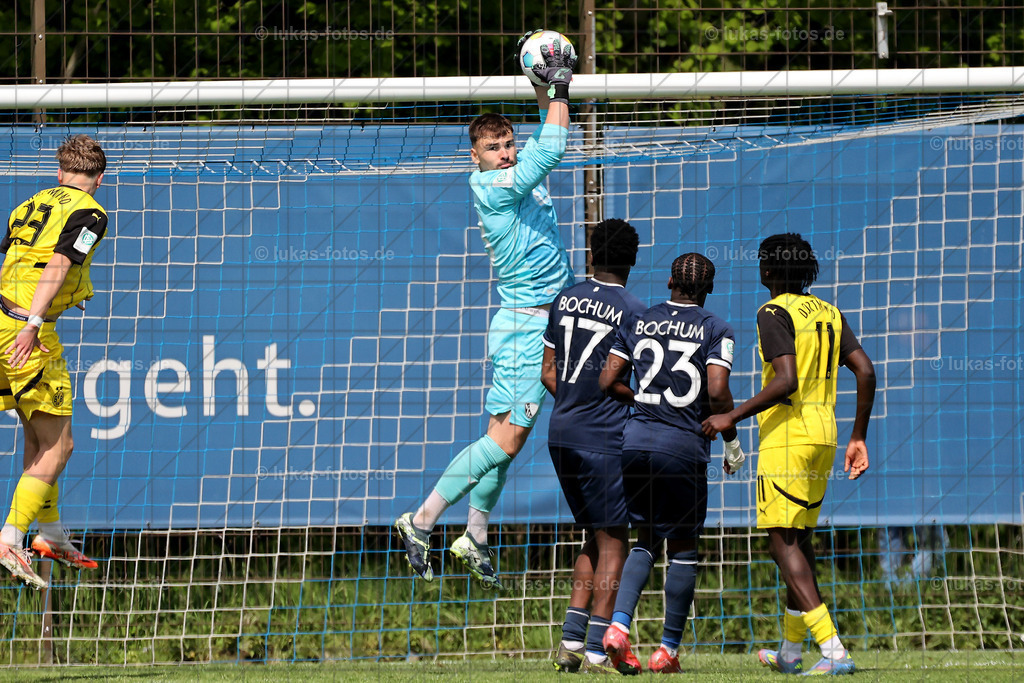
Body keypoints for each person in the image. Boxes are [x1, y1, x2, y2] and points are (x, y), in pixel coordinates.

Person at [394, 31, 578, 590]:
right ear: (475, 157)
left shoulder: (518, 180)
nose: (506, 153)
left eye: (508, 145)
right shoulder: (495, 187)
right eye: (494, 148)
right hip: (527, 326)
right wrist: (560, 85)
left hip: (543, 321)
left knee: (504, 436)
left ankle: (474, 533)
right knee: (507, 440)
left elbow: (540, 144)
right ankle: (420, 519)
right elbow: (554, 147)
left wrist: (542, 88)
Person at [702, 233, 876, 676]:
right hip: (826, 435)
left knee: (781, 542)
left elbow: (786, 380)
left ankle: (833, 650)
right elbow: (865, 370)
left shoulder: (772, 311)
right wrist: (859, 436)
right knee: (799, 541)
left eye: (763, 263)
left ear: (769, 271)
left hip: (787, 438)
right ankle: (791, 653)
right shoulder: (829, 312)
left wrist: (732, 417)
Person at [597, 253, 745, 674]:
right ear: (708, 289)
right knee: (682, 547)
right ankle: (667, 651)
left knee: (645, 538)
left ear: (669, 282)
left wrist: (643, 400)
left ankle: (618, 630)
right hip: (682, 446)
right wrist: (733, 444)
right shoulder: (717, 328)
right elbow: (717, 392)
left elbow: (608, 380)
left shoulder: (638, 320)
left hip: (636, 443)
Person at [0, 134, 107, 590]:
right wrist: (35, 320)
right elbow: (59, 264)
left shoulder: (30, 202)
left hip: (2, 317)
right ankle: (9, 539)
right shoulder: (91, 213)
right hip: (28, 332)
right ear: (98, 180)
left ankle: (50, 533)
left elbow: (14, 259)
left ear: (60, 173)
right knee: (61, 447)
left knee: (38, 437)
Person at [540, 218, 644, 674]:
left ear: (592, 254)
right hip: (604, 438)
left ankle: (569, 645)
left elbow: (549, 371)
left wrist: (574, 404)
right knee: (616, 540)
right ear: (633, 260)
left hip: (560, 432)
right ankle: (600, 648)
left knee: (594, 536)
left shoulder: (564, 298)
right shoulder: (634, 309)